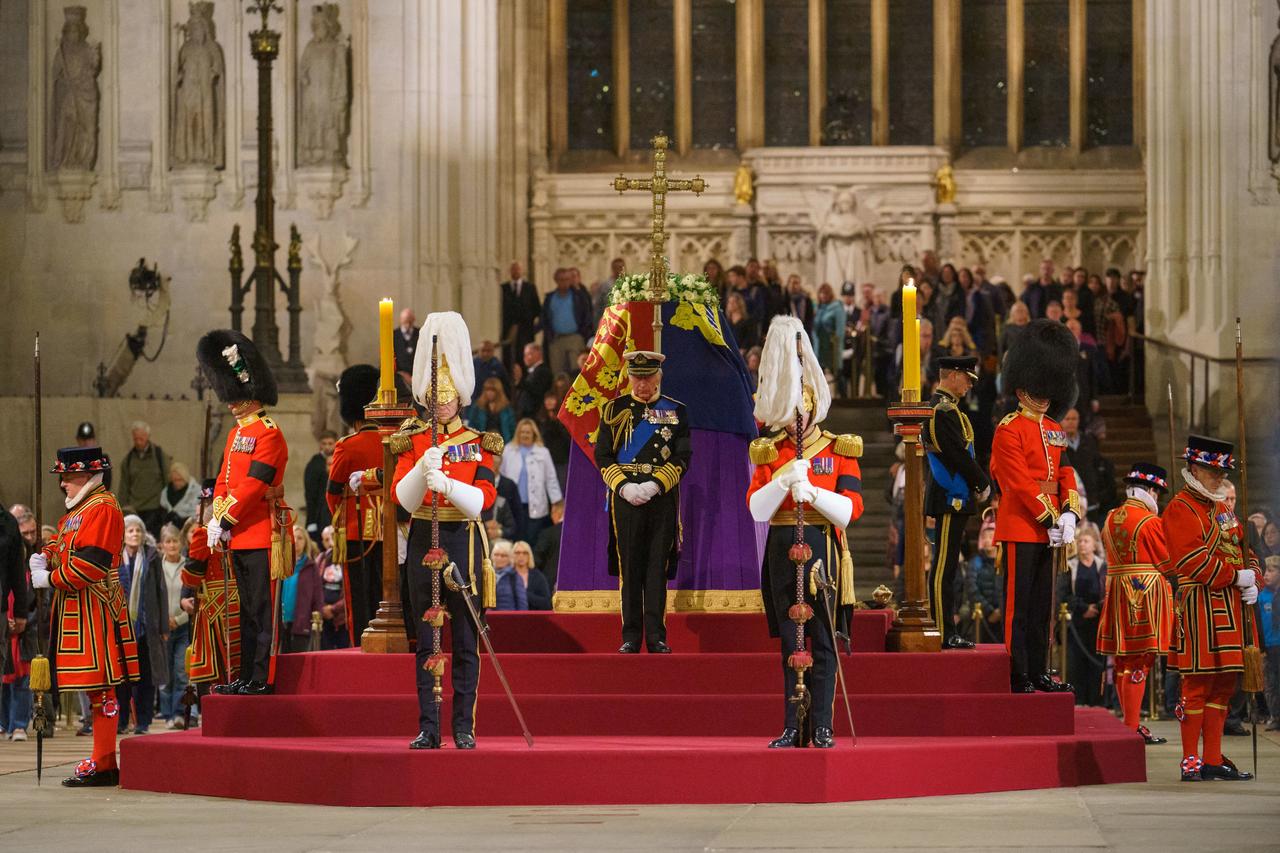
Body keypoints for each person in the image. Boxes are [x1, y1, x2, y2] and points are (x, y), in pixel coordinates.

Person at [748, 316, 864, 749]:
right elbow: (757, 509)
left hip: (821, 550)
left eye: (803, 412)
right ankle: (792, 725)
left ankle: (822, 723)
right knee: (788, 644)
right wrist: (780, 481)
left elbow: (849, 512)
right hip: (780, 546)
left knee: (821, 641)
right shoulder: (770, 451)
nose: (797, 421)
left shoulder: (838, 448)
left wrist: (811, 491)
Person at [392, 311, 501, 750]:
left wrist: (449, 484)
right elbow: (401, 498)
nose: (441, 403)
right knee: (426, 638)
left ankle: (464, 725)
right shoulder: (414, 438)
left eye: (448, 396)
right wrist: (422, 470)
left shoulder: (479, 441)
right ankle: (429, 725)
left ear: (460, 397)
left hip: (463, 540)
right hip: (423, 537)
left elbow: (484, 500)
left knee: (466, 641)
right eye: (435, 396)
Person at [28, 446, 140, 787]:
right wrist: (44, 556)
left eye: (67, 477)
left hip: (95, 606)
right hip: (77, 609)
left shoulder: (103, 507)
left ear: (87, 476)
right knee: (94, 690)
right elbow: (63, 545)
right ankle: (101, 758)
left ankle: (104, 761)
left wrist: (50, 578)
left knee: (102, 688)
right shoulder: (78, 510)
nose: (62, 484)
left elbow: (90, 564)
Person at [991, 319, 1082, 694]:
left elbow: (1064, 472)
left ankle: (1040, 669)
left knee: (1044, 606)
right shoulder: (1008, 429)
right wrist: (1050, 516)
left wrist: (1070, 512)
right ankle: (1018, 671)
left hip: (1051, 527)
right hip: (1020, 524)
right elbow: (1018, 483)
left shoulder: (1054, 429)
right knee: (1020, 606)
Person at [1163, 435, 1260, 782]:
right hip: (1199, 606)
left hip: (1230, 606)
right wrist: (1237, 576)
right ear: (1194, 468)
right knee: (1197, 684)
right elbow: (1191, 561)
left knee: (1224, 685)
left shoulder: (1223, 509)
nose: (1219, 478)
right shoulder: (1179, 507)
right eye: (1213, 471)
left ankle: (1213, 758)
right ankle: (1190, 759)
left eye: (1222, 472)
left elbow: (1245, 549)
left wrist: (1253, 580)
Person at [198, 329, 289, 697]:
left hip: (262, 532)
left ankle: (262, 676)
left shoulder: (269, 434)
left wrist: (225, 518)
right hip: (239, 534)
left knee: (262, 612)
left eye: (237, 396)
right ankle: (246, 674)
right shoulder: (237, 435)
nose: (232, 403)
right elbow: (224, 478)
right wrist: (215, 515)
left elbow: (254, 485)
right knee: (246, 610)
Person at [595, 351, 691, 655]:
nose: (642, 384)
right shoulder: (614, 409)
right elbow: (603, 455)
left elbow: (683, 456)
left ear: (659, 376)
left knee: (656, 569)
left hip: (660, 498)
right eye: (637, 377)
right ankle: (631, 636)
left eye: (648, 377)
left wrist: (655, 484)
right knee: (631, 568)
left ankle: (657, 636)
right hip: (625, 498)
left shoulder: (677, 411)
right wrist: (623, 487)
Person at [1096, 463, 1175, 743]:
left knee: (1122, 660)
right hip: (1145, 593)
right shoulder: (1149, 522)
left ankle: (1129, 723)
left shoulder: (1110, 517)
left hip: (1117, 590)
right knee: (1141, 660)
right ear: (1151, 490)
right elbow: (1168, 561)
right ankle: (1131, 726)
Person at [925, 356, 991, 649]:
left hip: (955, 494)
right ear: (952, 375)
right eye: (966, 378)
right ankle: (942, 629)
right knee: (944, 566)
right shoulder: (941, 411)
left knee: (949, 565)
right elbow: (956, 454)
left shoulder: (950, 410)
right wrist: (982, 481)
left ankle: (946, 628)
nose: (968, 385)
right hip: (949, 493)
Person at [325, 364, 385, 645]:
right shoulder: (391, 442)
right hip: (391, 530)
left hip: (354, 530)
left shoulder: (347, 446)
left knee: (359, 599)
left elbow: (333, 493)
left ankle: (360, 647)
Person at [182, 479, 242, 695]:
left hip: (213, 608)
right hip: (240, 604)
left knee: (216, 665)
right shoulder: (240, 531)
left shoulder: (202, 533)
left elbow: (191, 577)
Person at [115, 514, 168, 735]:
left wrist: (163, 626)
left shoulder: (152, 557)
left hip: (147, 626)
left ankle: (143, 721)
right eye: (130, 531)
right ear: (123, 535)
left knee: (146, 677)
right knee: (122, 678)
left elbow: (161, 591)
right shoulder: (115, 558)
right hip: (121, 626)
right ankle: (121, 720)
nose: (135, 534)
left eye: (138, 530)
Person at [1058, 524, 1108, 706]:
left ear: (1094, 544)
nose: (1082, 545)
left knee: (1096, 663)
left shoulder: (1103, 566)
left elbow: (1108, 592)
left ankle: (1096, 700)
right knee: (1076, 663)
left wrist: (1097, 607)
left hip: (1097, 621)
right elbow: (1063, 593)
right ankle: (1077, 700)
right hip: (1076, 622)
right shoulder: (1070, 566)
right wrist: (1083, 608)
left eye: (1086, 541)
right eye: (1079, 542)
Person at [499, 418, 563, 545]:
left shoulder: (543, 452)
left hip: (535, 504)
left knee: (533, 539)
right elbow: (502, 476)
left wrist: (557, 502)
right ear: (518, 433)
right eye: (522, 432)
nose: (525, 435)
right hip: (513, 504)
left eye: (528, 432)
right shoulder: (508, 450)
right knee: (515, 538)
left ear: (534, 433)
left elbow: (551, 479)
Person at [156, 524, 192, 729]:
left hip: (182, 625)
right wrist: (163, 621)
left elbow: (191, 597)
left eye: (175, 541)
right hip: (162, 627)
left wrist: (177, 620)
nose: (172, 545)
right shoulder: (157, 566)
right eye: (168, 541)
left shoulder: (187, 566)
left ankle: (179, 713)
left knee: (180, 671)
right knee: (165, 673)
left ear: (181, 543)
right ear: (162, 545)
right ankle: (167, 713)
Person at [117, 422, 169, 537]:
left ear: (147, 437)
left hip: (155, 508)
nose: (138, 442)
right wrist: (122, 509)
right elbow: (124, 487)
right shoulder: (128, 460)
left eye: (141, 438)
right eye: (135, 439)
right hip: (135, 509)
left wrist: (167, 505)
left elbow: (167, 481)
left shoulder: (159, 456)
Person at [542, 267, 593, 375]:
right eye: (561, 279)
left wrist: (584, 334)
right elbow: (545, 319)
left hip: (574, 337)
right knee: (558, 373)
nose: (564, 282)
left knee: (577, 371)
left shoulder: (578, 296)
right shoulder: (550, 298)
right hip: (556, 339)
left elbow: (587, 315)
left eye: (566, 279)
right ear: (556, 280)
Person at [283, 526, 323, 653]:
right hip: (281, 623)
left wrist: (317, 617)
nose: (296, 541)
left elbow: (318, 597)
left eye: (300, 538)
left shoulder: (311, 567)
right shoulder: (281, 565)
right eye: (293, 538)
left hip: (301, 622)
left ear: (306, 542)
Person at [966, 516, 1004, 643]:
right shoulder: (975, 562)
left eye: (991, 537)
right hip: (982, 617)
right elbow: (972, 588)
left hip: (1002, 617)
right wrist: (989, 611)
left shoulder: (1004, 563)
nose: (987, 540)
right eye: (985, 537)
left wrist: (1000, 611)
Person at [500, 261, 541, 373]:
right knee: (508, 359)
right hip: (508, 331)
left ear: (522, 271)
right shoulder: (503, 288)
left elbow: (537, 309)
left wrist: (533, 326)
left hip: (525, 331)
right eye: (513, 269)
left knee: (525, 358)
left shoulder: (530, 288)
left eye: (518, 269)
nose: (516, 271)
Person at [494, 540, 552, 611]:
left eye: (525, 553)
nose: (521, 556)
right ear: (512, 555)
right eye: (517, 553)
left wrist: (524, 594)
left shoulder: (538, 576)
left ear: (529, 556)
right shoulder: (506, 575)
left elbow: (547, 603)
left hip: (533, 617)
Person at [303, 430, 337, 545]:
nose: (327, 447)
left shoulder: (339, 459)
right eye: (324, 443)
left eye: (330, 443)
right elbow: (310, 493)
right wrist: (311, 520)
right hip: (320, 511)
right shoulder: (315, 464)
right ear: (319, 445)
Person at [811, 283, 845, 390]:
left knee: (837, 374)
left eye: (825, 293)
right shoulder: (818, 308)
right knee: (819, 374)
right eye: (821, 293)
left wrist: (837, 346)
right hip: (819, 346)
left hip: (831, 346)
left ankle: (844, 399)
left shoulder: (837, 307)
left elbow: (840, 329)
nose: (823, 296)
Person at [1260, 559, 1280, 731]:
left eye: (1271, 570)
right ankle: (1274, 715)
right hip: (1268, 645)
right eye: (1265, 570)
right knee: (1271, 683)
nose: (1266, 574)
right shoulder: (1261, 596)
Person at [465, 376, 517, 443]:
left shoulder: (506, 408)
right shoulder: (477, 407)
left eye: (492, 390)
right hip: (482, 443)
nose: (489, 393)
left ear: (498, 392)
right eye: (487, 390)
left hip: (504, 444)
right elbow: (471, 426)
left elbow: (512, 428)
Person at [533, 501, 565, 593]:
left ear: (557, 513)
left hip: (550, 582)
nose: (551, 517)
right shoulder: (580, 534)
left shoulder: (548, 533)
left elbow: (537, 558)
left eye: (552, 513)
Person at [515, 342, 552, 419]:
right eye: (524, 355)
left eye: (528, 354)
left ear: (538, 354)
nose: (525, 358)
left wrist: (520, 379)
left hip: (534, 414)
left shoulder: (543, 371)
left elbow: (537, 390)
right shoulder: (532, 372)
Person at [160, 461, 201, 529]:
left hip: (189, 526)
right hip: (171, 528)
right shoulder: (166, 492)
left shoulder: (196, 491)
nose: (177, 483)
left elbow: (196, 513)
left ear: (185, 478)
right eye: (175, 480)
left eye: (180, 480)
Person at [393, 308, 420, 382]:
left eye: (410, 322)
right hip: (399, 377)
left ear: (414, 320)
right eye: (405, 322)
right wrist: (400, 373)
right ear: (400, 320)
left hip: (418, 376)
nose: (407, 325)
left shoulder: (420, 334)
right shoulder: (393, 335)